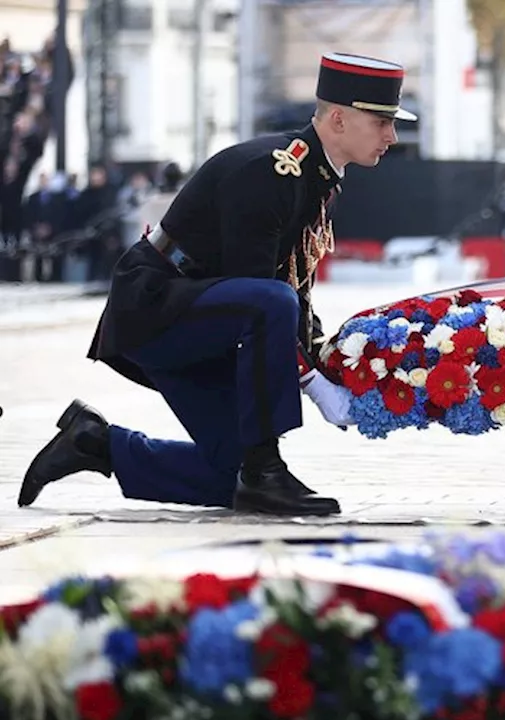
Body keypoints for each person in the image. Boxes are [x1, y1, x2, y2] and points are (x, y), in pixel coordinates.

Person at [18, 52, 416, 516]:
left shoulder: (315, 178)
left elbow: (290, 291)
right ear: (338, 118)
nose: (391, 135)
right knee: (268, 305)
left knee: (231, 476)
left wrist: (335, 366)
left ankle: (96, 443)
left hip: (202, 320)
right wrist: (312, 382)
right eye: (381, 121)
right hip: (158, 310)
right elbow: (262, 295)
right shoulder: (273, 172)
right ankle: (267, 470)